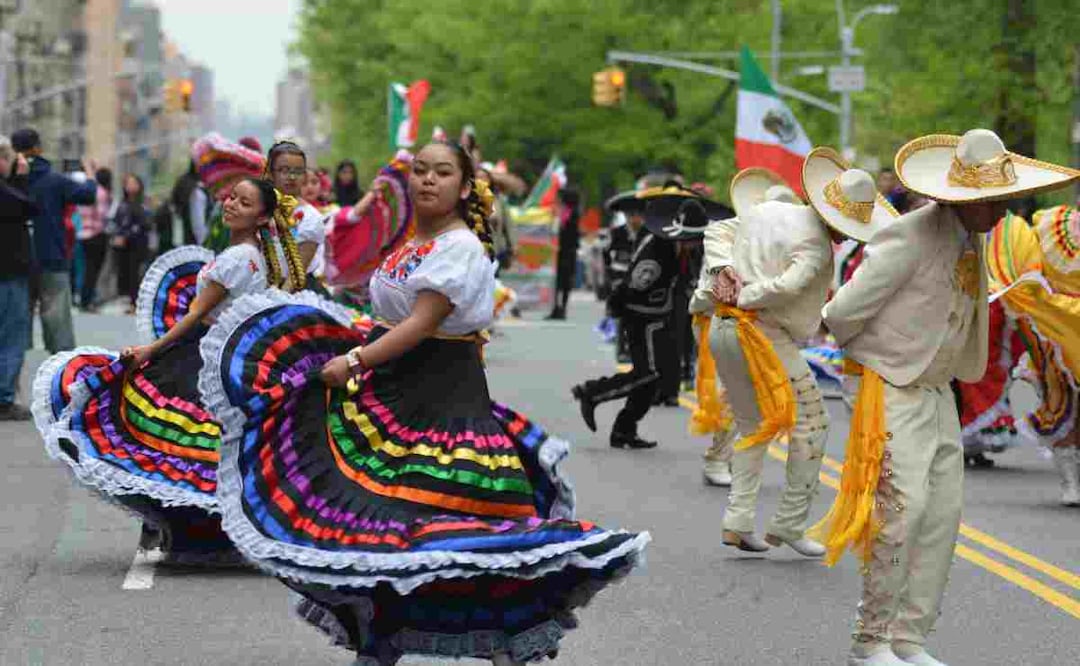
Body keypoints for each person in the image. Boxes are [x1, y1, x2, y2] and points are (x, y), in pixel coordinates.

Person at [196, 141, 650, 664]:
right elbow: (388, 316)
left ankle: (505, 640)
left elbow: (420, 323)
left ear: (465, 186)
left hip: (442, 405)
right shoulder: (413, 243)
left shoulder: (460, 247)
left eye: (443, 172)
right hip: (392, 398)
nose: (428, 179)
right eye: (420, 170)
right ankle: (380, 641)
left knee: (451, 536)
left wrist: (355, 360)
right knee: (374, 528)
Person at [814, 129, 1077, 666]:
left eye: (1006, 201)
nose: (1002, 213)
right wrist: (873, 365)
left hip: (937, 388)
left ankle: (908, 639)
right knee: (902, 510)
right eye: (994, 202)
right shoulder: (907, 237)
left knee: (942, 514)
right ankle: (871, 641)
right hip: (892, 386)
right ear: (961, 198)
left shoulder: (973, 236)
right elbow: (840, 314)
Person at [32, 177, 282, 563]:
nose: (232, 204)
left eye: (245, 203)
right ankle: (203, 536)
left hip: (202, 355)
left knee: (172, 442)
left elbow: (196, 315)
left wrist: (151, 349)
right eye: (232, 197)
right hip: (220, 356)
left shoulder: (238, 258)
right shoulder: (251, 255)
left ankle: (199, 537)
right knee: (201, 448)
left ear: (263, 217)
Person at [707, 158, 897, 555]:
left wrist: (722, 271)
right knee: (814, 422)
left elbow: (717, 230)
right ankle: (790, 523)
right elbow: (788, 286)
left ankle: (737, 520)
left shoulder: (768, 210)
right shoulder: (816, 248)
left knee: (752, 425)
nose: (847, 238)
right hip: (762, 335)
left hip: (722, 327)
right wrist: (745, 295)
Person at [572, 186, 715, 449]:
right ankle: (592, 392)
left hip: (661, 315)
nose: (697, 243)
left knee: (655, 378)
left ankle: (624, 430)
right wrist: (617, 309)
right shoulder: (657, 252)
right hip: (640, 317)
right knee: (647, 375)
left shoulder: (684, 248)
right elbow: (633, 285)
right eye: (693, 239)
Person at [982, 205, 1080, 505]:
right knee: (1064, 404)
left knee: (1068, 406)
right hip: (1057, 331)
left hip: (1059, 326)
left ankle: (1072, 482)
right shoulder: (1054, 224)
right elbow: (1029, 269)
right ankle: (1071, 482)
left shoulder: (1053, 223)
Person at [13, 128, 97, 354]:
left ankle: (14, 368)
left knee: (16, 321)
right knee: (58, 318)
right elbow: (88, 195)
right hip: (51, 256)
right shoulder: (54, 180)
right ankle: (61, 367)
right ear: (38, 148)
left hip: (15, 260)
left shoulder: (10, 181)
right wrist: (90, 174)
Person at [0, 135, 38, 421]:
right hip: (9, 272)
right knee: (11, 335)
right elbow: (28, 207)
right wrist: (22, 178)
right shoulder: (9, 192)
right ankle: (3, 398)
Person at [264, 140, 327, 287]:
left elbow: (295, 277)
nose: (292, 177)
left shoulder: (310, 218)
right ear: (271, 173)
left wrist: (272, 299)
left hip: (293, 292)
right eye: (284, 170)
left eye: (298, 171)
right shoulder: (258, 209)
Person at [110, 174, 151, 314]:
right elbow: (116, 222)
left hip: (138, 244)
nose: (131, 186)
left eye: (134, 183)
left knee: (136, 273)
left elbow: (144, 224)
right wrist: (117, 236)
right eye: (128, 183)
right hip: (123, 246)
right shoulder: (122, 204)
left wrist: (127, 236)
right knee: (126, 273)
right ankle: (130, 300)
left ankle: (137, 303)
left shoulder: (143, 204)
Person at [76, 168, 114, 311]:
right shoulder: (102, 193)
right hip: (97, 234)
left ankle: (84, 299)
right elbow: (103, 214)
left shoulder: (86, 190)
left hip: (84, 233)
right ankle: (88, 300)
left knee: (86, 269)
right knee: (94, 270)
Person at [547, 187, 581, 320]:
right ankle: (558, 307)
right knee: (560, 281)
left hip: (566, 251)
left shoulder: (570, 213)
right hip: (564, 251)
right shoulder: (568, 212)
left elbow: (563, 230)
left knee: (563, 281)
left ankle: (561, 308)